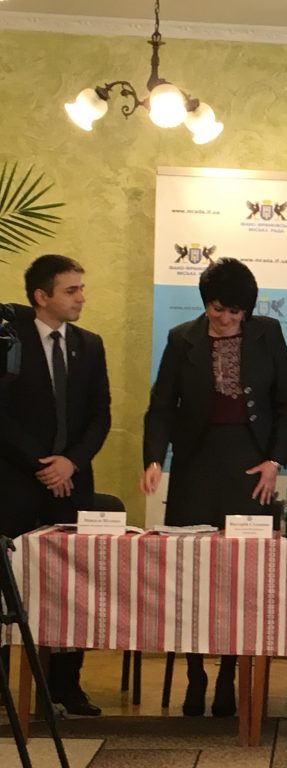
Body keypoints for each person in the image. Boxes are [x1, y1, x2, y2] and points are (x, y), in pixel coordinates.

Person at [140, 257, 287, 717]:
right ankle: (195, 675)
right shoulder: (182, 339)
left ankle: (229, 674)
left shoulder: (268, 333)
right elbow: (162, 407)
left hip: (250, 469)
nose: (227, 319)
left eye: (236, 311)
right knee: (191, 574)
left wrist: (274, 462)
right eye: (218, 309)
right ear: (205, 304)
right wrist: (154, 458)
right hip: (195, 465)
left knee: (240, 578)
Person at [0, 254, 111, 716]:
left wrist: (70, 463)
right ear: (41, 296)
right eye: (71, 290)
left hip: (73, 483)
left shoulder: (90, 344)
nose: (81, 297)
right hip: (17, 484)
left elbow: (100, 416)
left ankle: (66, 686)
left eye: (81, 288)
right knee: (10, 585)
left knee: (72, 587)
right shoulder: (8, 340)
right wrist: (42, 465)